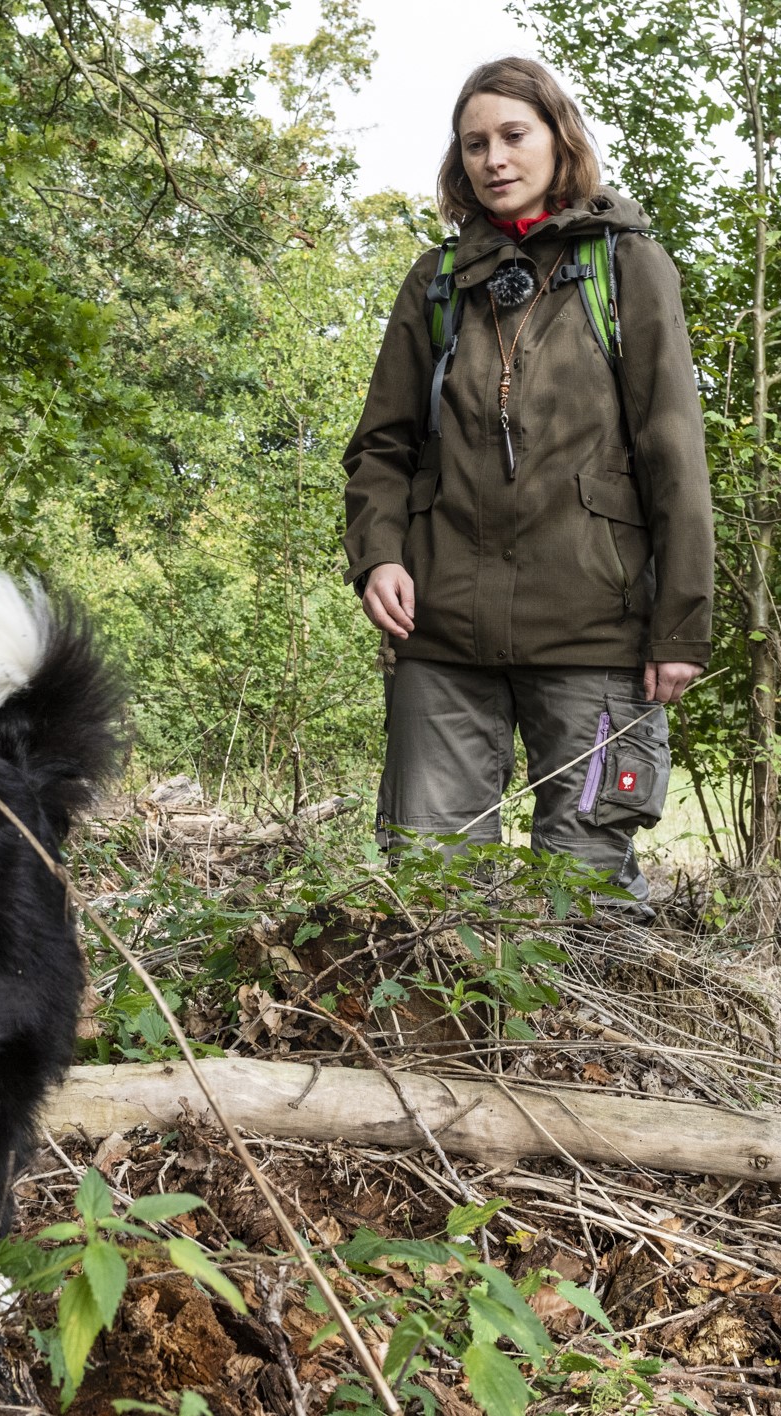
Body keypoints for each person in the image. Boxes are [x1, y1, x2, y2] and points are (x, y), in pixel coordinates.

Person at [342, 57, 713, 909]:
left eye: (513, 135)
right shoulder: (437, 282)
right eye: (474, 144)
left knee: (585, 898)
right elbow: (382, 447)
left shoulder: (628, 266)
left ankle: (586, 1006)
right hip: (441, 637)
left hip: (595, 635)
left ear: (558, 137)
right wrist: (378, 556)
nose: (494, 158)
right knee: (429, 894)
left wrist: (680, 625)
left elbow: (674, 453)